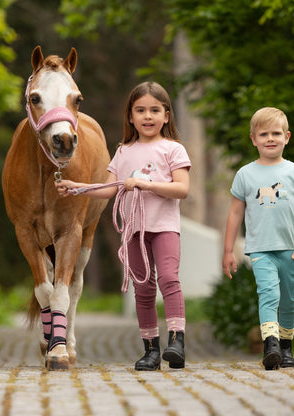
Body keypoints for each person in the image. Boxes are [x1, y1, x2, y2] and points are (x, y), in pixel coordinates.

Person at [55, 81, 191, 370]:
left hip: (165, 228)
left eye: (155, 110)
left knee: (168, 278)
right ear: (130, 116)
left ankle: (176, 340)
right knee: (142, 289)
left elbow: (182, 189)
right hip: (134, 231)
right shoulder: (124, 151)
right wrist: (78, 187)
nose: (148, 116)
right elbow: (109, 189)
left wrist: (144, 183)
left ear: (167, 115)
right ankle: (151, 349)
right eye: (140, 110)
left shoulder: (173, 149)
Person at [222, 107, 294, 370]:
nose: (270, 138)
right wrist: (228, 250)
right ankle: (271, 344)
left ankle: (286, 346)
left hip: (291, 249)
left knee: (290, 300)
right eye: (264, 134)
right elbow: (235, 213)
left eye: (276, 133)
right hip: (260, 249)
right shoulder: (245, 174)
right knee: (268, 294)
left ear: (287, 136)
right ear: (253, 139)